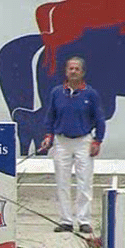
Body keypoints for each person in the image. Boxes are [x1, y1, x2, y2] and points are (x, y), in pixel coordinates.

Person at [40, 56, 105, 234]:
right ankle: (66, 220)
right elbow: (50, 116)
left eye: (77, 69)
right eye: (70, 68)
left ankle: (84, 220)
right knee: (62, 181)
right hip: (62, 141)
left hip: (83, 140)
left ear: (82, 72)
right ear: (66, 72)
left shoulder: (90, 94)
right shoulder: (56, 93)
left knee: (85, 181)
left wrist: (97, 140)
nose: (73, 71)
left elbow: (99, 119)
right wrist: (48, 136)